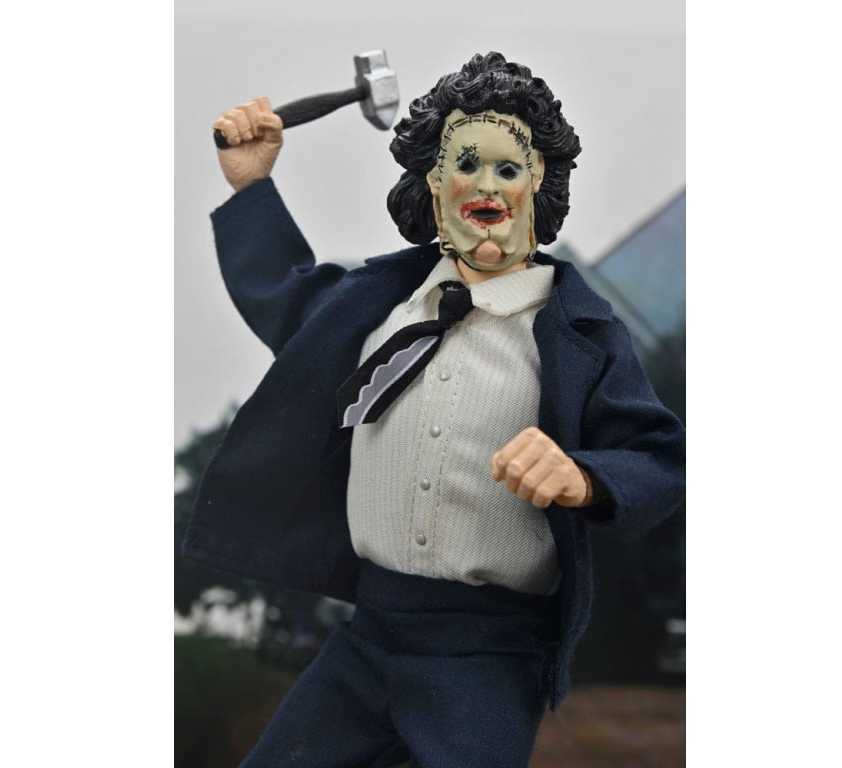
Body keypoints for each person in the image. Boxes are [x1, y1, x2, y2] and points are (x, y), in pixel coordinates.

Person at [184, 52, 686, 767]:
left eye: (508, 168)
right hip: (367, 635)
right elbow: (289, 298)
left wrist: (584, 476)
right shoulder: (380, 306)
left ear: (540, 180)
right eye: (466, 164)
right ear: (431, 181)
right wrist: (252, 187)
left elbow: (658, 456)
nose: (486, 185)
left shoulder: (578, 334)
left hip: (487, 657)